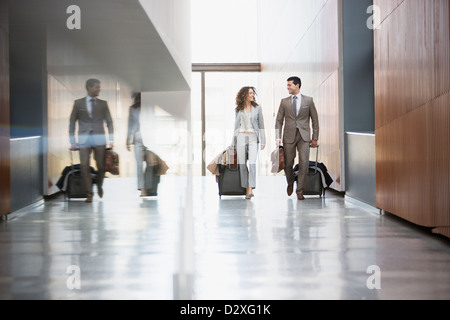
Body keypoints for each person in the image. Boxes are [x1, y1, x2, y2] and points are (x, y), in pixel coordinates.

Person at [69, 79, 114, 203]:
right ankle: (89, 193)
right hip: (84, 139)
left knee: (100, 166)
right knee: (84, 165)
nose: (99, 89)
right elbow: (72, 122)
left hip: (99, 139)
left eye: (99, 87)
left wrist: (111, 138)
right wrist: (72, 141)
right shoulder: (78, 103)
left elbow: (109, 122)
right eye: (97, 87)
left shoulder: (103, 104)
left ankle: (99, 184)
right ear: (89, 88)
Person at [275, 76, 319, 200]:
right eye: (287, 85)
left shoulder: (308, 101)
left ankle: (300, 190)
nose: (287, 87)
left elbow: (315, 119)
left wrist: (315, 137)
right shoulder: (284, 102)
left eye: (289, 85)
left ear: (297, 85)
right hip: (288, 136)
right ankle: (290, 182)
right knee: (288, 163)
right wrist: (277, 137)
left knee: (304, 162)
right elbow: (278, 120)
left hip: (304, 137)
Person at [231, 87, 266, 200]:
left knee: (252, 163)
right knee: (242, 164)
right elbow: (236, 127)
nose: (252, 95)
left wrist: (263, 140)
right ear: (244, 95)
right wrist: (233, 142)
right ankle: (246, 189)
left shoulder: (257, 108)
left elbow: (261, 125)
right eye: (250, 93)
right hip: (241, 136)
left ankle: (250, 188)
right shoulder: (238, 109)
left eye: (253, 93)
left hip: (252, 137)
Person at [126, 92, 147, 197]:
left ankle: (148, 187)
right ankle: (142, 188)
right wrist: (128, 141)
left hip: (148, 139)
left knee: (149, 164)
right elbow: (130, 125)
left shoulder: (148, 107)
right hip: (138, 139)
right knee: (139, 165)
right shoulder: (132, 109)